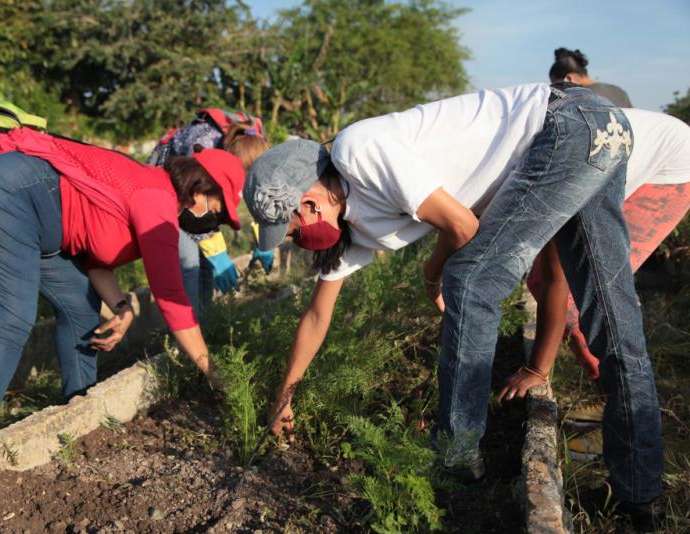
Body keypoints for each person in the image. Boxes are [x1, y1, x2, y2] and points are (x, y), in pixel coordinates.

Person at [244, 83, 690, 528]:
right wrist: (285, 397)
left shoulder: (358, 149)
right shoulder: (356, 227)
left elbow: (462, 225)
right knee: (612, 321)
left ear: (306, 201)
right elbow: (317, 316)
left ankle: (456, 457)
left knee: (472, 278)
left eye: (293, 229)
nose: (300, 240)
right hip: (600, 126)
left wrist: (431, 275)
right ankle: (641, 499)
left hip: (568, 124)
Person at [0, 126, 245, 453]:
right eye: (214, 212)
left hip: (38, 220)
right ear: (199, 191)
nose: (211, 224)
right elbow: (171, 298)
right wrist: (212, 371)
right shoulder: (157, 199)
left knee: (79, 306)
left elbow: (96, 259)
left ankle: (79, 413)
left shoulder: (155, 195)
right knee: (9, 319)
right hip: (4, 183)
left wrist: (122, 306)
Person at [498, 49, 690, 462]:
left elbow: (555, 276)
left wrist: (536, 370)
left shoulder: (561, 149)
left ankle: (624, 420)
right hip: (624, 159)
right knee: (554, 284)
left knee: (588, 292)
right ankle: (614, 404)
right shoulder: (534, 139)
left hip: (672, 168)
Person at [147, 110, 272, 320]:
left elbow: (258, 192)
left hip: (193, 197)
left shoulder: (255, 144)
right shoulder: (202, 143)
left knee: (205, 267)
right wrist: (216, 251)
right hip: (168, 191)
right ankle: (188, 337)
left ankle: (203, 325)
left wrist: (265, 238)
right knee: (189, 263)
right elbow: (193, 204)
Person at [549, 48, 632, 107]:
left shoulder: (575, 97)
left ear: (569, 79)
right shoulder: (618, 92)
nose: (558, 91)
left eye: (557, 86)